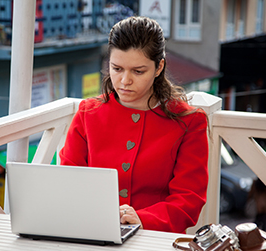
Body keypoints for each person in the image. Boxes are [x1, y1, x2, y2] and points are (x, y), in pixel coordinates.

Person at [59, 16, 209, 233]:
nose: (124, 81)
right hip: (94, 234)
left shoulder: (189, 121)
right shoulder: (87, 113)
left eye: (138, 71)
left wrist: (143, 218)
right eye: (117, 68)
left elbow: (189, 199)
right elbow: (68, 183)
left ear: (159, 68)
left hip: (155, 239)